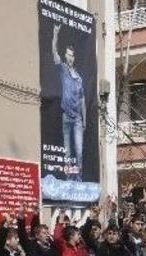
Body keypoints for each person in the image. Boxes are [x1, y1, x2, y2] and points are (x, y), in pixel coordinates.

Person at [52, 23, 86, 181]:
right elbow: (54, 53)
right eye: (68, 55)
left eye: (72, 55)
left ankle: (78, 176)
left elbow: (83, 100)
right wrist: (55, 34)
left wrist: (84, 119)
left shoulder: (79, 78)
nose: (70, 57)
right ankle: (68, 177)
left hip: (78, 118)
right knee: (67, 151)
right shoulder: (63, 70)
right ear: (66, 56)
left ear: (74, 57)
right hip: (66, 116)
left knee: (78, 150)